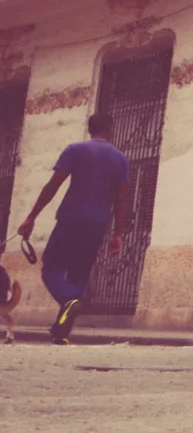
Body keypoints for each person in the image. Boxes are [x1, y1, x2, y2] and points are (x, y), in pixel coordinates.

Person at [17, 112, 128, 344]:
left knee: (51, 268)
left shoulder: (74, 150)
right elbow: (121, 199)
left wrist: (31, 216)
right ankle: (61, 331)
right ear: (110, 127)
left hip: (70, 218)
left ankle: (69, 299)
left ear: (89, 129)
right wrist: (118, 233)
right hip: (97, 223)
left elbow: (53, 185)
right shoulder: (120, 158)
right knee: (78, 272)